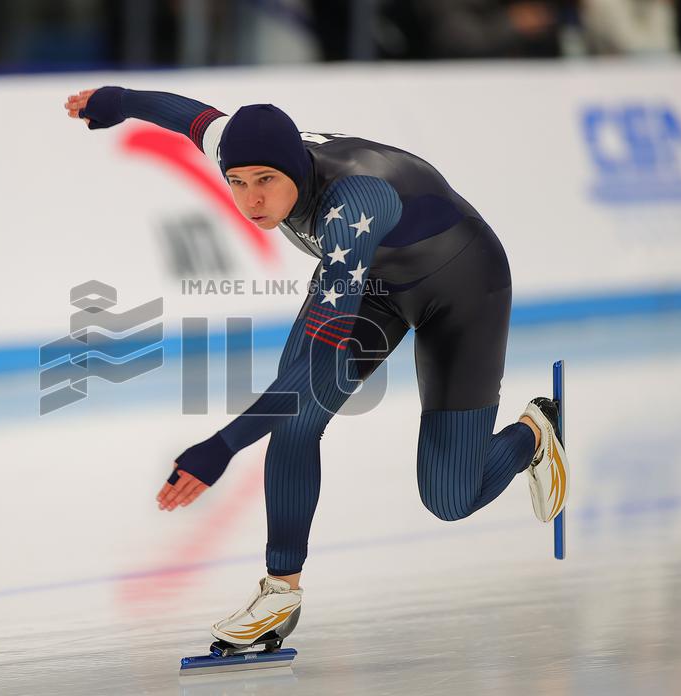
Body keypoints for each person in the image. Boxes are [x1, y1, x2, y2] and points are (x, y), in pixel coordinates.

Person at [64, 86, 569, 654]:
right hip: (375, 286)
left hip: (461, 285)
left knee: (451, 498)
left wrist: (221, 446)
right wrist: (117, 99)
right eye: (237, 183)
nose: (251, 199)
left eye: (265, 182)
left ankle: (535, 432)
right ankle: (281, 591)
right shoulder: (248, 147)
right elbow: (191, 118)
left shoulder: (354, 206)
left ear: (296, 172)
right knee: (295, 423)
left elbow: (307, 375)